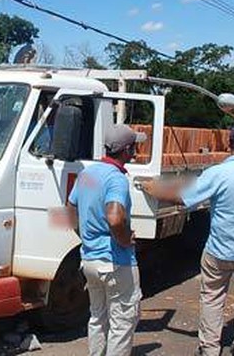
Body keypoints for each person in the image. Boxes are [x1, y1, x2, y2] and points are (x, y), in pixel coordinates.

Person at [141, 124, 234, 356]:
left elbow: (183, 198)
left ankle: (209, 348)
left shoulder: (217, 173)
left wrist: (151, 189)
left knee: (212, 299)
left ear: (229, 144)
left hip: (220, 250)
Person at [67, 124, 146, 356]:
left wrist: (85, 236)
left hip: (89, 259)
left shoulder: (87, 174)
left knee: (97, 317)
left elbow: (70, 210)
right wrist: (124, 240)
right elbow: (114, 218)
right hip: (115, 261)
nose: (136, 151)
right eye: (135, 147)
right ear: (127, 149)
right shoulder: (116, 179)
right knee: (123, 322)